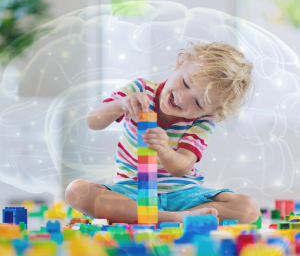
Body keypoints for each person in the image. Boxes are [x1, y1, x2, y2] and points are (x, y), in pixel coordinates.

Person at [65, 41, 260, 224]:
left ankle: (161, 215)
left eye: (198, 103)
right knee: (77, 191)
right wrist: (121, 104)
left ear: (210, 110)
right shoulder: (140, 89)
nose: (183, 98)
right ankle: (176, 218)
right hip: (132, 190)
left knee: (249, 208)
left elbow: (182, 167)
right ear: (180, 63)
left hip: (182, 193)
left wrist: (164, 150)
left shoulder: (204, 120)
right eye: (185, 83)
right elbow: (93, 121)